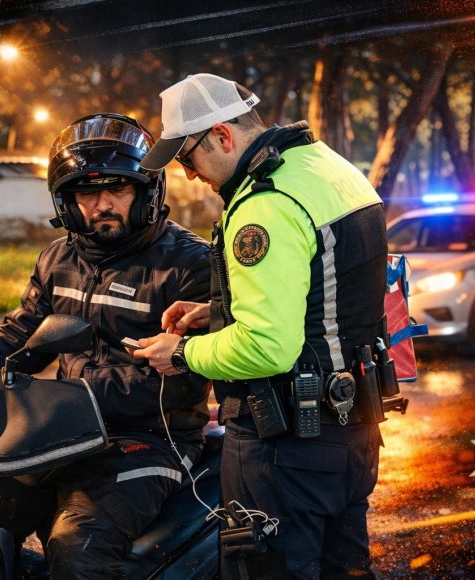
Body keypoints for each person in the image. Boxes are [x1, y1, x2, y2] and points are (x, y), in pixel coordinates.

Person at [0, 113, 212, 578]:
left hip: (149, 440)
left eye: (119, 189)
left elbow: (188, 376)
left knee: (77, 547)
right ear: (68, 202)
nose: (103, 204)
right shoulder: (58, 259)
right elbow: (17, 338)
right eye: (87, 193)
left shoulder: (188, 265)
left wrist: (78, 394)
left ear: (148, 192)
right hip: (60, 430)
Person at [134, 73, 388, 579]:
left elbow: (268, 347)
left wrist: (181, 353)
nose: (188, 175)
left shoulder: (264, 205)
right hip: (352, 434)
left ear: (222, 136)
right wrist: (217, 311)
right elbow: (324, 291)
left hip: (284, 450)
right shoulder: (328, 168)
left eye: (187, 158)